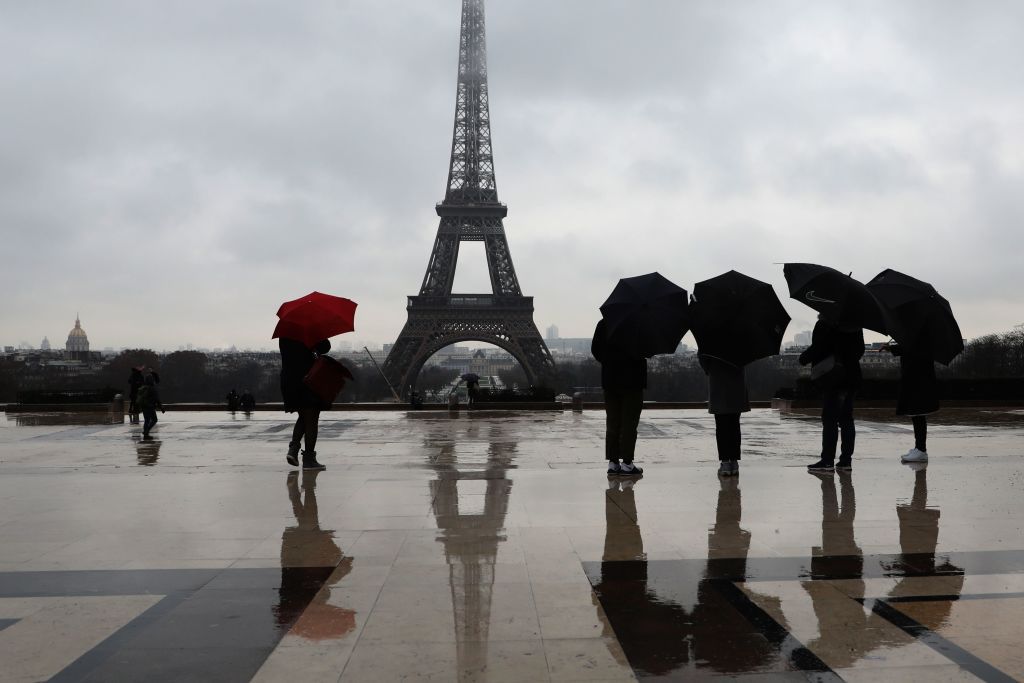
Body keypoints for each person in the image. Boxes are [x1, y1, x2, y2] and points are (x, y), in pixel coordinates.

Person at [799, 316, 865, 472]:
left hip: (833, 377)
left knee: (830, 419)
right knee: (847, 419)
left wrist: (803, 358)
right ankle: (846, 461)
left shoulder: (825, 323)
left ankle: (827, 460)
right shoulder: (855, 324)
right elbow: (860, 350)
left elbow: (819, 347)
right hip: (851, 376)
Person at [591, 319, 646, 476]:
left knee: (613, 422)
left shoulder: (604, 324)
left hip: (611, 380)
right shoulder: (639, 325)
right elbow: (647, 350)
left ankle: (613, 462)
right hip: (633, 381)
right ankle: (627, 463)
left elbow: (596, 350)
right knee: (629, 423)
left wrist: (610, 362)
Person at [279, 337, 331, 470]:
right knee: (312, 418)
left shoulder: (285, 335)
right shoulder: (309, 332)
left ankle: (294, 449)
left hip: (289, 380)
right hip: (308, 378)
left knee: (304, 416)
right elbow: (325, 346)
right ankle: (308, 459)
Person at [884, 342, 937, 463]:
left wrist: (892, 348)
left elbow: (911, 347)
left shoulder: (918, 333)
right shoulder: (920, 332)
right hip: (917, 375)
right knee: (916, 413)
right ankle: (919, 448)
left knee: (917, 412)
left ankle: (921, 449)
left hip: (917, 377)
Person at [699, 355, 748, 476]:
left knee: (721, 427)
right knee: (735, 425)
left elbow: (703, 358)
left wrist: (710, 370)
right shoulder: (741, 337)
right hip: (736, 382)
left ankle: (725, 462)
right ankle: (734, 462)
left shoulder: (710, 338)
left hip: (718, 381)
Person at [135, 374, 164, 439]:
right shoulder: (152, 388)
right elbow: (157, 399)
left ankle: (146, 434)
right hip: (150, 407)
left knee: (146, 420)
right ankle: (146, 431)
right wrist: (161, 407)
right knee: (154, 419)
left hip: (144, 406)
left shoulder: (144, 388)